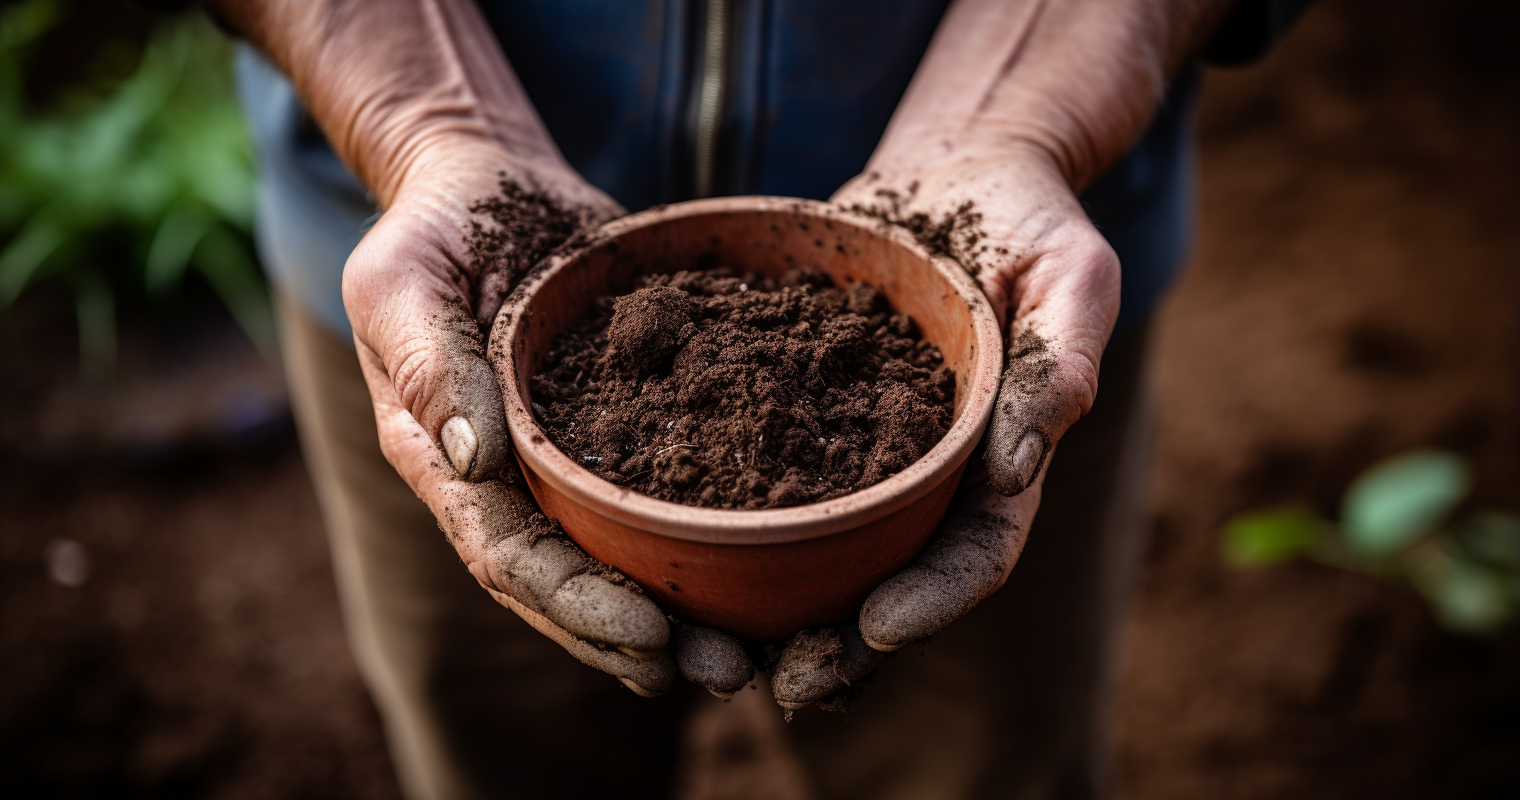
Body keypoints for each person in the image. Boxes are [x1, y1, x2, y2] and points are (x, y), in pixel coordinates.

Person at [218, 0, 1306, 797]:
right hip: (450, 253)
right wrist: (422, 117)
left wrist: (1019, 116)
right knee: (497, 750)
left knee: (984, 766)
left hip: (1003, 253)